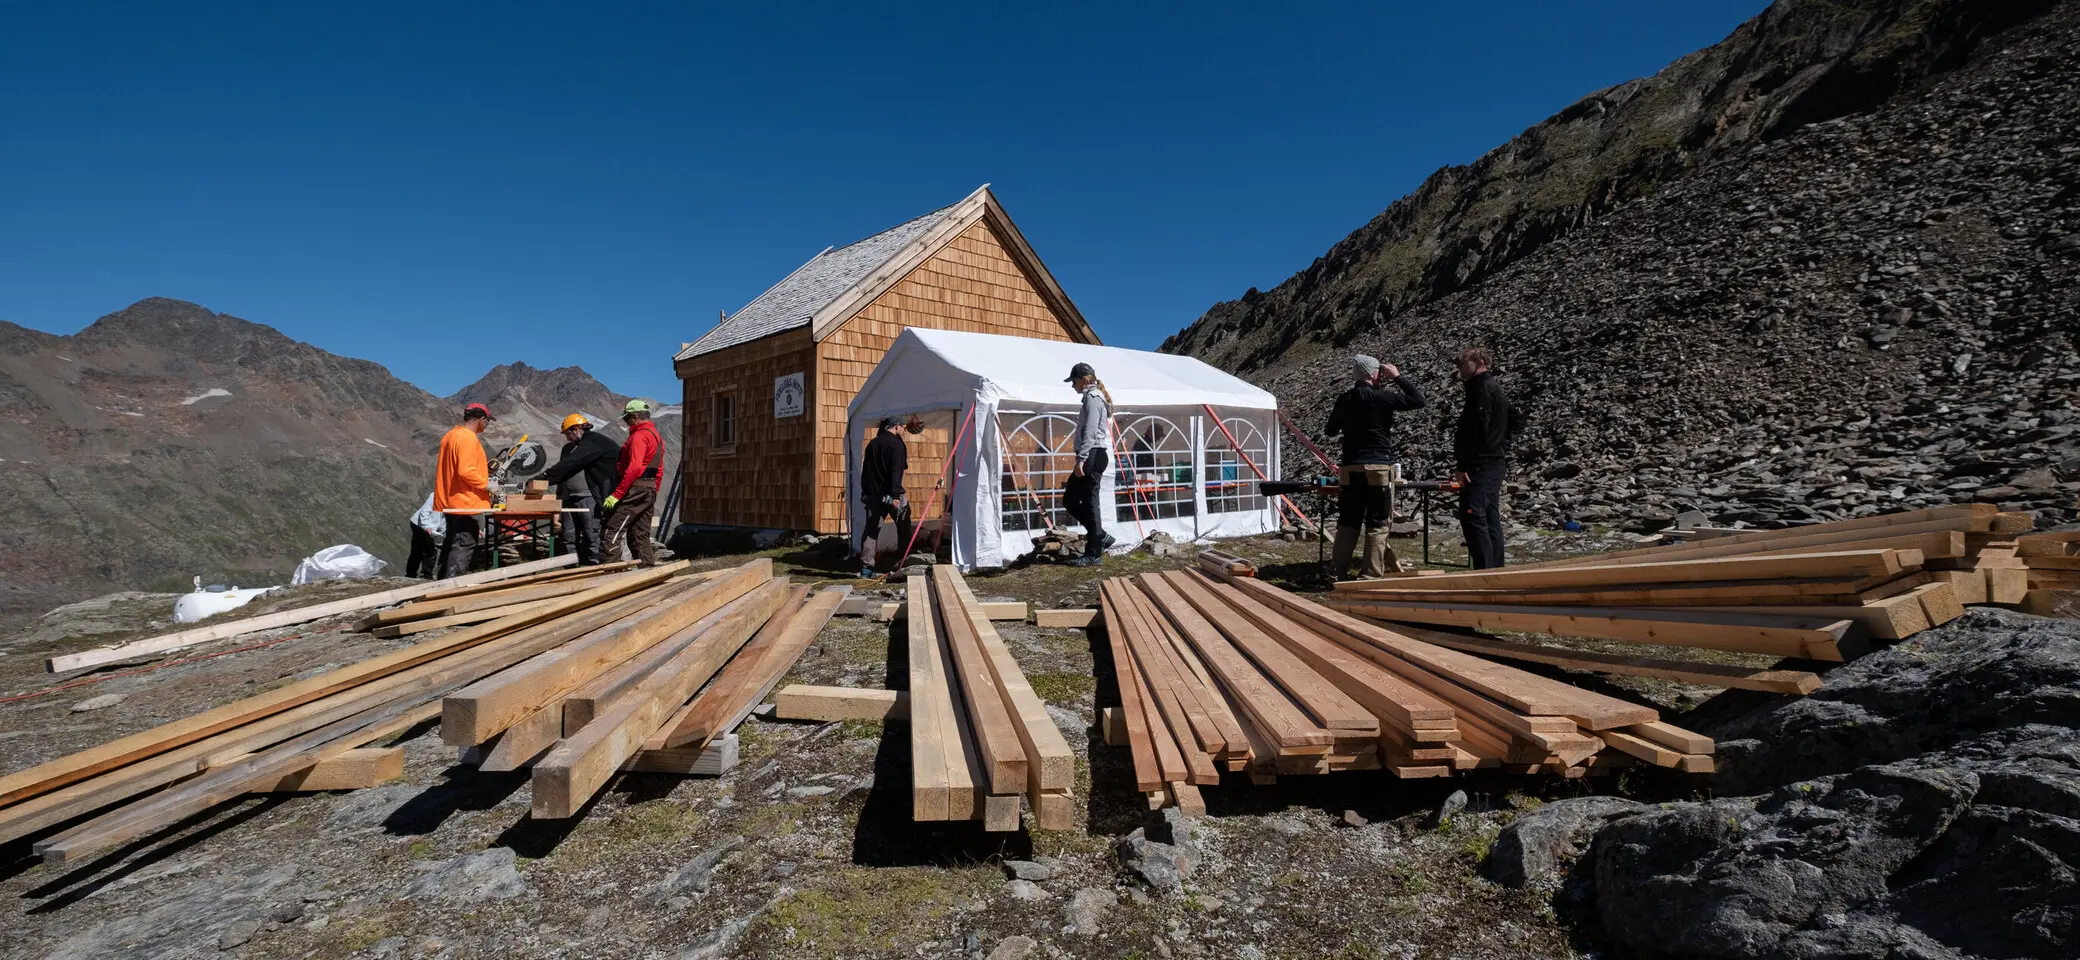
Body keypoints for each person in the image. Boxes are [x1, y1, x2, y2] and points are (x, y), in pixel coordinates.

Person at [1322, 354, 1426, 580]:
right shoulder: (1383, 397)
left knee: (1348, 521)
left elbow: (1330, 430)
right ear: (1373, 374)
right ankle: (1369, 574)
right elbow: (1418, 400)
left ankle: (1337, 570)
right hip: (1378, 465)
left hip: (1350, 468)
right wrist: (1398, 377)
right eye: (1378, 371)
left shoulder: (1345, 399)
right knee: (1377, 522)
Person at [1454, 347, 1517, 569]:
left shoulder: (1481, 388)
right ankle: (1495, 570)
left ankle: (1484, 572)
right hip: (1492, 461)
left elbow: (1476, 429)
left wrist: (1464, 463)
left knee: (1473, 515)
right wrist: (1501, 443)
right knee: (1489, 518)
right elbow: (1516, 418)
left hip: (1480, 465)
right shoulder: (1492, 387)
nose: (1459, 367)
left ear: (1479, 361)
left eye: (1463, 361)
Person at [540, 413, 620, 566]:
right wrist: (559, 497)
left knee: (591, 533)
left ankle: (594, 565)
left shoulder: (591, 445)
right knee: (569, 534)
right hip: (568, 496)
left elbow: (573, 464)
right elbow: (563, 470)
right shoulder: (567, 449)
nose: (567, 438)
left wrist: (544, 477)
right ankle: (572, 567)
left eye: (568, 434)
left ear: (576, 429)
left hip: (588, 496)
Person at [435, 402, 497, 578]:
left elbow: (458, 468)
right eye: (488, 421)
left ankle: (441, 583)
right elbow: (466, 471)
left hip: (451, 501)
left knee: (451, 543)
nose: (487, 425)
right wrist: (486, 485)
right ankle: (452, 587)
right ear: (481, 419)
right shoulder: (468, 438)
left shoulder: (450, 436)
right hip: (466, 502)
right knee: (465, 544)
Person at [1062, 362, 1114, 567]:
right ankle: (1100, 536)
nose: (1072, 385)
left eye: (1074, 381)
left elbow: (1090, 431)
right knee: (1071, 500)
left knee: (1090, 503)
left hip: (1092, 454)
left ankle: (1094, 553)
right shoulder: (1093, 398)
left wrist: (1081, 459)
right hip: (1093, 454)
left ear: (1084, 380)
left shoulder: (1093, 399)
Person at [600, 399, 663, 567]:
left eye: (627, 419)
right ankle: (647, 572)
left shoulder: (639, 436)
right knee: (639, 533)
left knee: (612, 529)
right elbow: (660, 469)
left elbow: (634, 467)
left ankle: (610, 572)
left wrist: (616, 495)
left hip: (636, 488)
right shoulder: (657, 437)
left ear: (635, 417)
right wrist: (653, 490)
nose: (626, 423)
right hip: (648, 489)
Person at [858, 415, 914, 578]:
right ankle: (903, 564)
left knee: (871, 531)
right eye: (903, 427)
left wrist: (866, 493)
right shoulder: (896, 445)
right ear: (896, 426)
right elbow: (896, 472)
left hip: (873, 495)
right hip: (892, 495)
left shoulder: (872, 444)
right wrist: (895, 495)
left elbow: (866, 472)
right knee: (903, 527)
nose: (904, 430)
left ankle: (866, 569)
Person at [405, 493, 444, 579]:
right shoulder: (436, 495)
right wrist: (426, 526)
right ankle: (417, 574)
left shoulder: (453, 500)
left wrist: (442, 533)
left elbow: (444, 520)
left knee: (427, 550)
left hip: (431, 529)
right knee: (422, 550)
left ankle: (419, 574)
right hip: (419, 525)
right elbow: (425, 511)